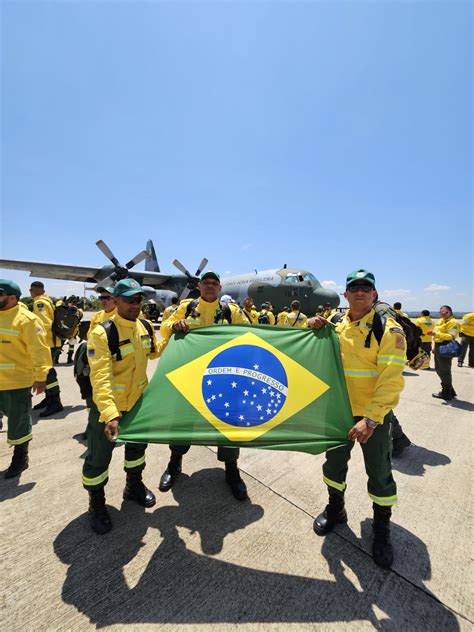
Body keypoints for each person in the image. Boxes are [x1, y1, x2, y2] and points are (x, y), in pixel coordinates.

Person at [307, 269, 406, 569]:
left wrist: (372, 420)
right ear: (346, 295)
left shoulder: (387, 328)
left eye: (366, 288)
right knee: (333, 466)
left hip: (371, 417)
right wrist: (313, 327)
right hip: (338, 413)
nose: (360, 292)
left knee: (379, 473)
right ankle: (336, 510)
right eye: (354, 288)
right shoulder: (337, 324)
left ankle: (381, 531)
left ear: (374, 294)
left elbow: (391, 381)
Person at [158, 270, 249, 501]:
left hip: (223, 380)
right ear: (199, 286)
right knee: (181, 421)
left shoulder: (232, 311)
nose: (210, 286)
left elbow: (250, 333)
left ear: (220, 288)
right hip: (190, 377)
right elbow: (164, 327)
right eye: (206, 282)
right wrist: (175, 325)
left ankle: (232, 471)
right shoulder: (187, 308)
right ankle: (174, 464)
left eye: (214, 283)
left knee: (227, 424)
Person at [83, 279, 160, 534]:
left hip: (138, 406)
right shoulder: (102, 333)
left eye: (139, 300)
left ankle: (133, 486)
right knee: (98, 458)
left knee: (137, 450)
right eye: (129, 300)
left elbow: (155, 352)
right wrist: (109, 414)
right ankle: (96, 503)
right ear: (115, 301)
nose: (135, 305)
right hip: (109, 410)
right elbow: (100, 377)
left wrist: (176, 332)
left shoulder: (145, 326)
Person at [0, 279, 51, 478]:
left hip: (16, 382)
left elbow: (40, 351)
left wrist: (40, 377)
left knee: (18, 422)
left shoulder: (27, 320)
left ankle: (20, 457)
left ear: (12, 298)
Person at [29, 281, 64, 417]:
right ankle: (50, 398)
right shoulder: (48, 300)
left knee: (47, 373)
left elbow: (44, 323)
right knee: (49, 372)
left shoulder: (39, 303)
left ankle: (55, 402)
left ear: (33, 290)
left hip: (47, 343)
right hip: (52, 342)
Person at [432, 305, 459, 401]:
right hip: (438, 346)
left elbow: (452, 336)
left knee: (445, 370)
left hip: (446, 347)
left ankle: (446, 392)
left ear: (450, 312)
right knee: (438, 368)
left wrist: (436, 334)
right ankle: (450, 390)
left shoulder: (453, 322)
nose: (442, 314)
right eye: (441, 312)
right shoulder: (440, 321)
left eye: (444, 312)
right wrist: (434, 346)